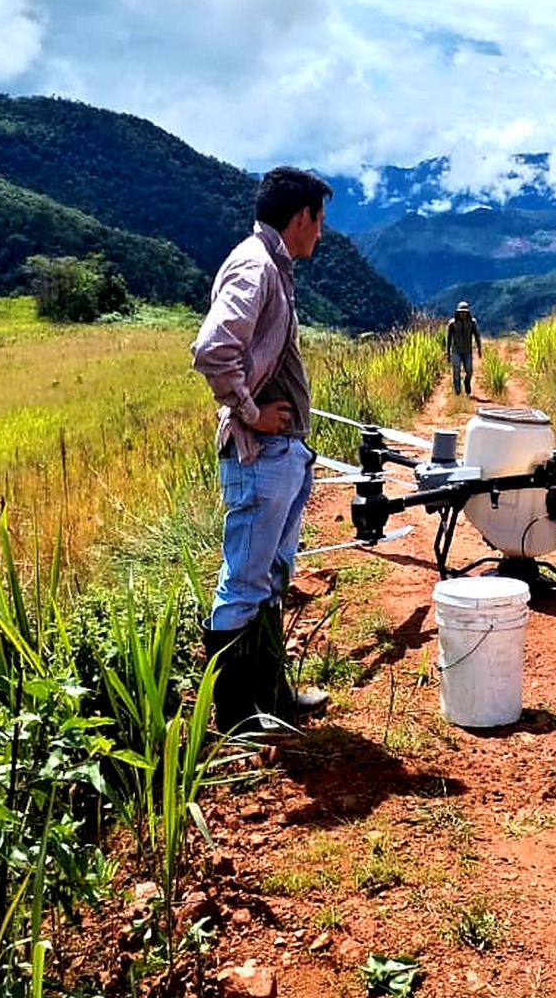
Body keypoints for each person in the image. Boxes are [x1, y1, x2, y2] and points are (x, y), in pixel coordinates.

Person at [190, 166, 331, 733]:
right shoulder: (256, 267)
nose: (320, 232)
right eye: (319, 221)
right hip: (260, 452)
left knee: (270, 576)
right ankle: (236, 717)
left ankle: (271, 696)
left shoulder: (274, 266)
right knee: (244, 582)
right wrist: (252, 413)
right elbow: (212, 350)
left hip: (279, 453)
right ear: (302, 217)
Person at [446, 301, 482, 396]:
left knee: (469, 371)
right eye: (461, 312)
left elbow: (477, 336)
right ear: (458, 312)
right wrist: (448, 353)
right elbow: (448, 339)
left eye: (465, 312)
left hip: (467, 351)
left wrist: (479, 348)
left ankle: (467, 382)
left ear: (467, 312)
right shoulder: (452, 323)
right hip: (456, 351)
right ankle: (457, 391)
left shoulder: (472, 322)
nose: (463, 313)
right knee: (456, 370)